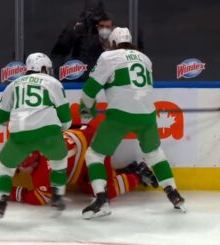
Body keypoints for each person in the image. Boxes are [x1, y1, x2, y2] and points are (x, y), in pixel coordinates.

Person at [79, 27, 185, 219]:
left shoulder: (108, 57)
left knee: (95, 155)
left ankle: (101, 199)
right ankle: (173, 193)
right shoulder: (145, 59)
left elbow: (89, 91)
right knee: (154, 154)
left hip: (120, 115)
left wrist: (86, 112)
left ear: (112, 43)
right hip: (147, 115)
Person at [0, 52, 72, 220]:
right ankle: (57, 196)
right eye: (47, 68)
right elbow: (66, 116)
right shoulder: (53, 82)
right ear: (42, 68)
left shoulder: (13, 85)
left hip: (20, 133)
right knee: (59, 161)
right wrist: (61, 130)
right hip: (48, 131)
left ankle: (0, 204)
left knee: (5, 168)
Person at [9, 124, 158, 205]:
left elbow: (39, 198)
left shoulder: (44, 173)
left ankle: (139, 175)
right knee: (86, 186)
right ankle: (124, 171)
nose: (21, 169)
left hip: (96, 148)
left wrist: (12, 192)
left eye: (21, 167)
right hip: (87, 134)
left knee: (102, 191)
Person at [50, 1, 113, 81]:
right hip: (78, 77)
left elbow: (120, 54)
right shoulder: (75, 27)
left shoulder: (109, 27)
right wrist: (61, 74)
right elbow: (58, 53)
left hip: (103, 78)